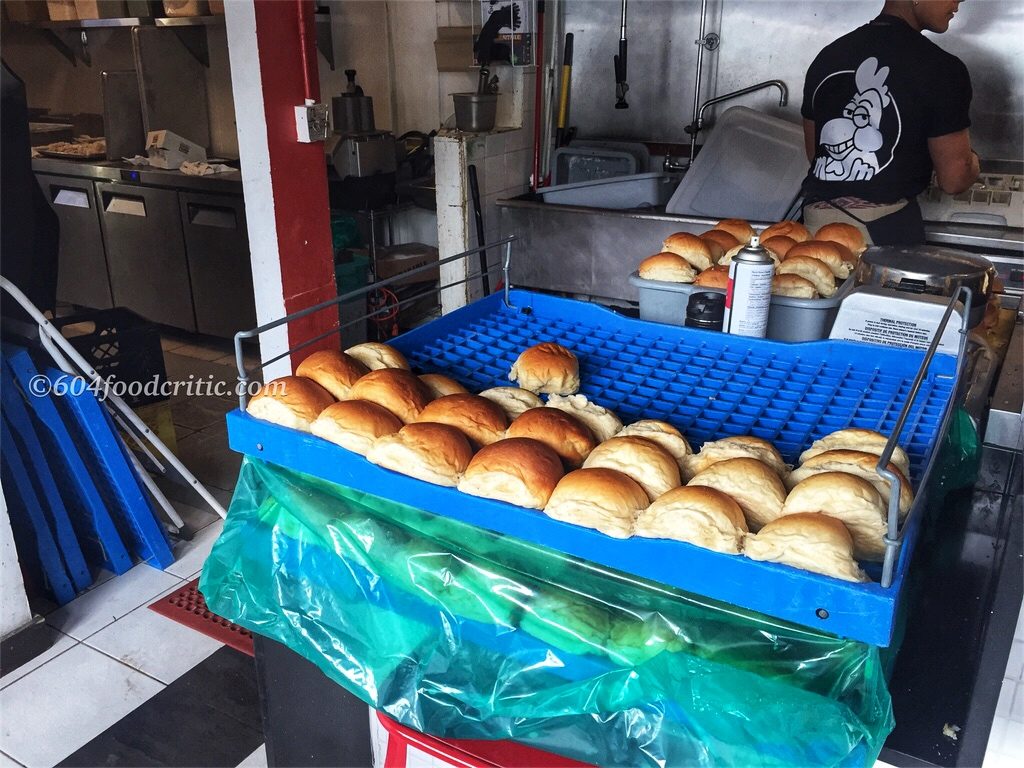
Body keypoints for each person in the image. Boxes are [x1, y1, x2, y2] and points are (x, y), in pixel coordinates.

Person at [800, 0, 980, 245]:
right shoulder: (941, 68)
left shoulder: (828, 57)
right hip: (883, 233)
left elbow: (815, 153)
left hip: (815, 230)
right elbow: (955, 179)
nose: (958, 3)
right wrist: (972, 161)